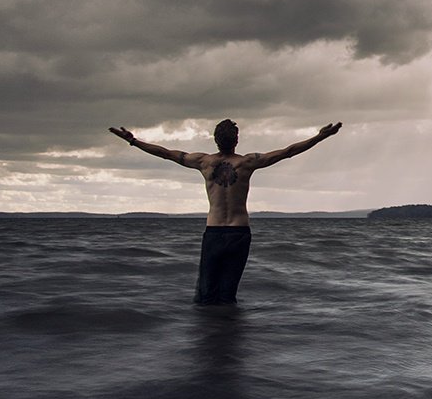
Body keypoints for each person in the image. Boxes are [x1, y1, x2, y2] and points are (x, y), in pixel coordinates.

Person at [108, 118, 342, 305]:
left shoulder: (203, 162)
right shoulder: (248, 162)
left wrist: (134, 141)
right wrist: (320, 137)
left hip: (214, 232)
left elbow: (166, 153)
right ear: (236, 140)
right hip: (240, 232)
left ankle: (213, 342)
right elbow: (288, 151)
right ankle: (228, 337)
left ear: (215, 140)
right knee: (228, 293)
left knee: (206, 293)